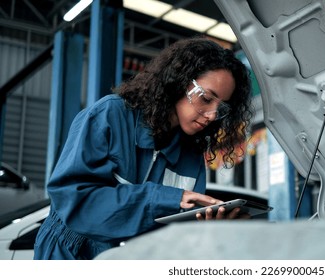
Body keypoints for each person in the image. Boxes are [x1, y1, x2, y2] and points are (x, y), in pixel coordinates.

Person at [34, 37, 253, 260]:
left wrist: (207, 228)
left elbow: (171, 237)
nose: (212, 115)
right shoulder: (110, 116)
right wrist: (166, 199)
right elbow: (75, 202)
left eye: (221, 108)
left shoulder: (191, 157)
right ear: (179, 82)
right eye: (206, 98)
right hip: (70, 252)